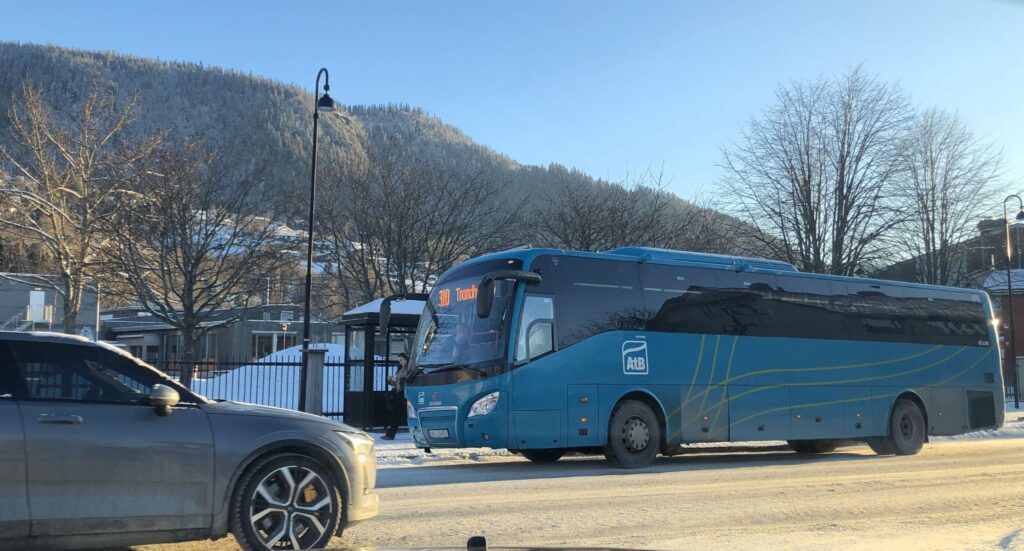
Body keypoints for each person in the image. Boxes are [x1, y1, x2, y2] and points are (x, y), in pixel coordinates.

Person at [382, 353, 412, 440]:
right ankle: (390, 434)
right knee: (397, 415)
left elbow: (408, 382)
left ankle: (390, 434)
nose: (400, 362)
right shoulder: (401, 369)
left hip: (405, 394)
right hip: (400, 393)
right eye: (399, 361)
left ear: (406, 359)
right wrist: (390, 381)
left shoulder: (409, 369)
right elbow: (398, 384)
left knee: (397, 415)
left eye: (401, 360)